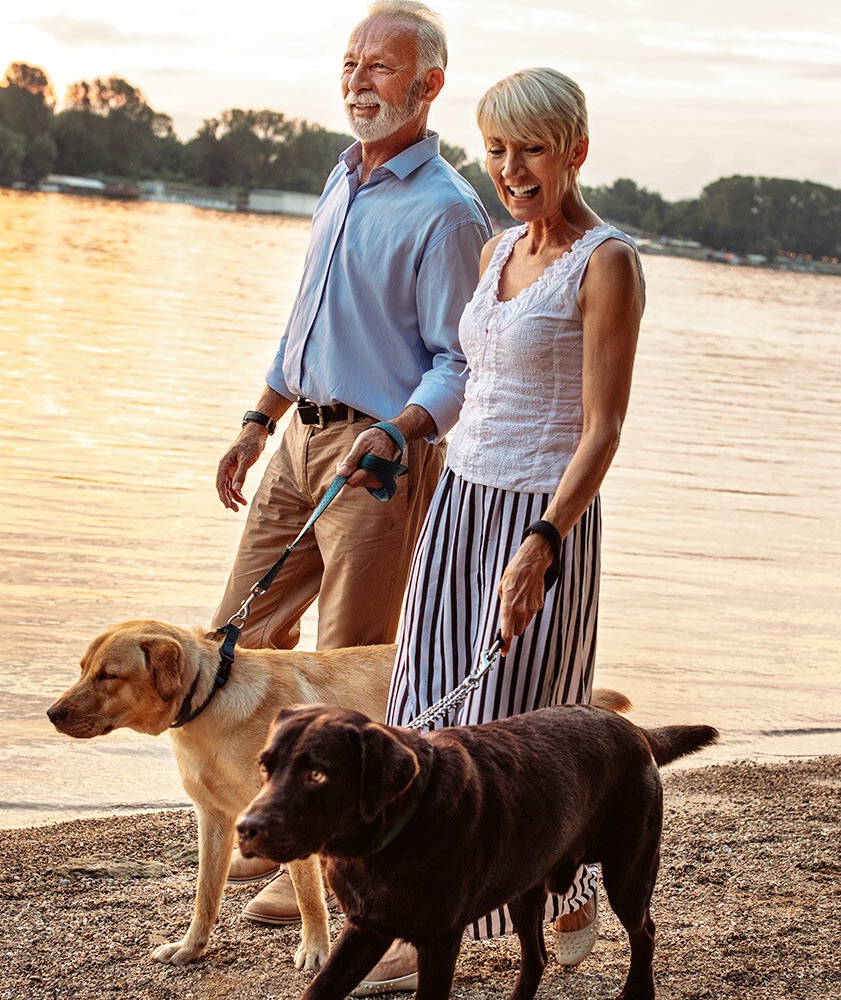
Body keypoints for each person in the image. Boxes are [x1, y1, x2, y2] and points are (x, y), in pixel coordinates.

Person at [349, 66, 648, 996]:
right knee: (426, 703)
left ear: (575, 151)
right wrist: (402, 432)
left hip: (540, 515)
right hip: (459, 501)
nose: (511, 167)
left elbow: (602, 429)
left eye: (531, 149)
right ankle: (416, 901)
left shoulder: (607, 261)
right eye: (496, 148)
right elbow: (478, 388)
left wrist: (545, 540)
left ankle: (574, 883)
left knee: (522, 724)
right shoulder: (495, 252)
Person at [211, 0, 492, 926]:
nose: (358, 80)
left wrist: (402, 432)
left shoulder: (448, 210)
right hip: (298, 440)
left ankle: (339, 875)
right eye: (350, 62)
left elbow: (462, 358)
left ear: (428, 85)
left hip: (379, 455)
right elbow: (304, 326)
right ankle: (268, 827)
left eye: (380, 66)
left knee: (348, 672)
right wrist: (260, 419)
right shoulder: (342, 179)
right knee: (239, 646)